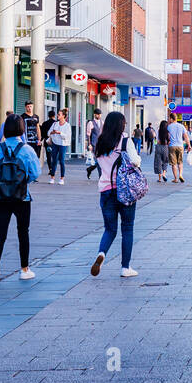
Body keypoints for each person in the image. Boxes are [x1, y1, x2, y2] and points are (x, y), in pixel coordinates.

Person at [0, 113, 41, 283]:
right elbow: (35, 173)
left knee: (0, 233)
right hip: (22, 197)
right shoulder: (27, 149)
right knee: (23, 232)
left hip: (1, 197)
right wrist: (22, 182)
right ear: (22, 129)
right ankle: (24, 269)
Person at [91, 111, 142, 278]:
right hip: (125, 190)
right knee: (127, 228)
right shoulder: (125, 141)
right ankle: (125, 267)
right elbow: (136, 161)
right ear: (121, 125)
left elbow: (98, 163)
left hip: (106, 190)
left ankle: (102, 253)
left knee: (110, 229)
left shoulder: (99, 142)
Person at [47, 109, 70, 184]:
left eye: (59, 114)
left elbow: (67, 136)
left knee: (62, 161)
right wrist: (52, 132)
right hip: (55, 143)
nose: (57, 115)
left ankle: (62, 178)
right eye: (58, 114)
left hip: (63, 145)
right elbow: (48, 133)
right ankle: (52, 177)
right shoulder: (55, 124)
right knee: (54, 160)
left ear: (63, 116)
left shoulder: (67, 125)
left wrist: (60, 133)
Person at [167, 114, 189, 183]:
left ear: (171, 118)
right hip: (180, 146)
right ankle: (180, 175)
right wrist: (189, 145)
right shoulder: (181, 126)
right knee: (180, 162)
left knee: (174, 163)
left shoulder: (169, 127)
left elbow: (168, 137)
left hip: (172, 146)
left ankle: (176, 178)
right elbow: (185, 136)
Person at [84, 110, 103, 178]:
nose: (99, 116)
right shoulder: (91, 123)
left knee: (100, 160)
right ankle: (101, 176)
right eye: (98, 114)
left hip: (101, 145)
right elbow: (88, 135)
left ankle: (90, 169)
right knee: (98, 160)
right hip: (94, 144)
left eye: (100, 114)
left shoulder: (102, 122)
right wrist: (89, 144)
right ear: (95, 114)